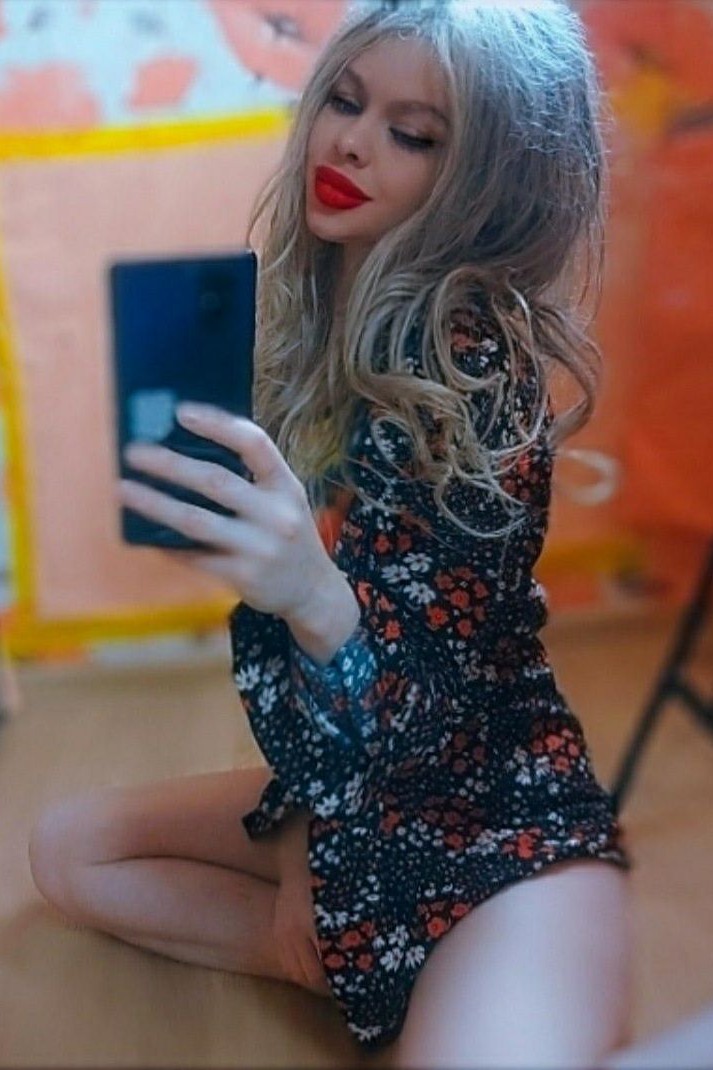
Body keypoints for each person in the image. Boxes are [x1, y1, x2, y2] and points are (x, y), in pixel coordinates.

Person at [28, 1, 634, 1065]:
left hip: (498, 824)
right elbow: (322, 696)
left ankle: (422, 969)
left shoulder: (472, 371)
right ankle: (350, 956)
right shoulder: (320, 332)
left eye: (413, 134)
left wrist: (308, 594)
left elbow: (427, 708)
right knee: (66, 850)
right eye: (344, 102)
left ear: (489, 179)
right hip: (365, 797)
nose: (350, 143)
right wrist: (311, 851)